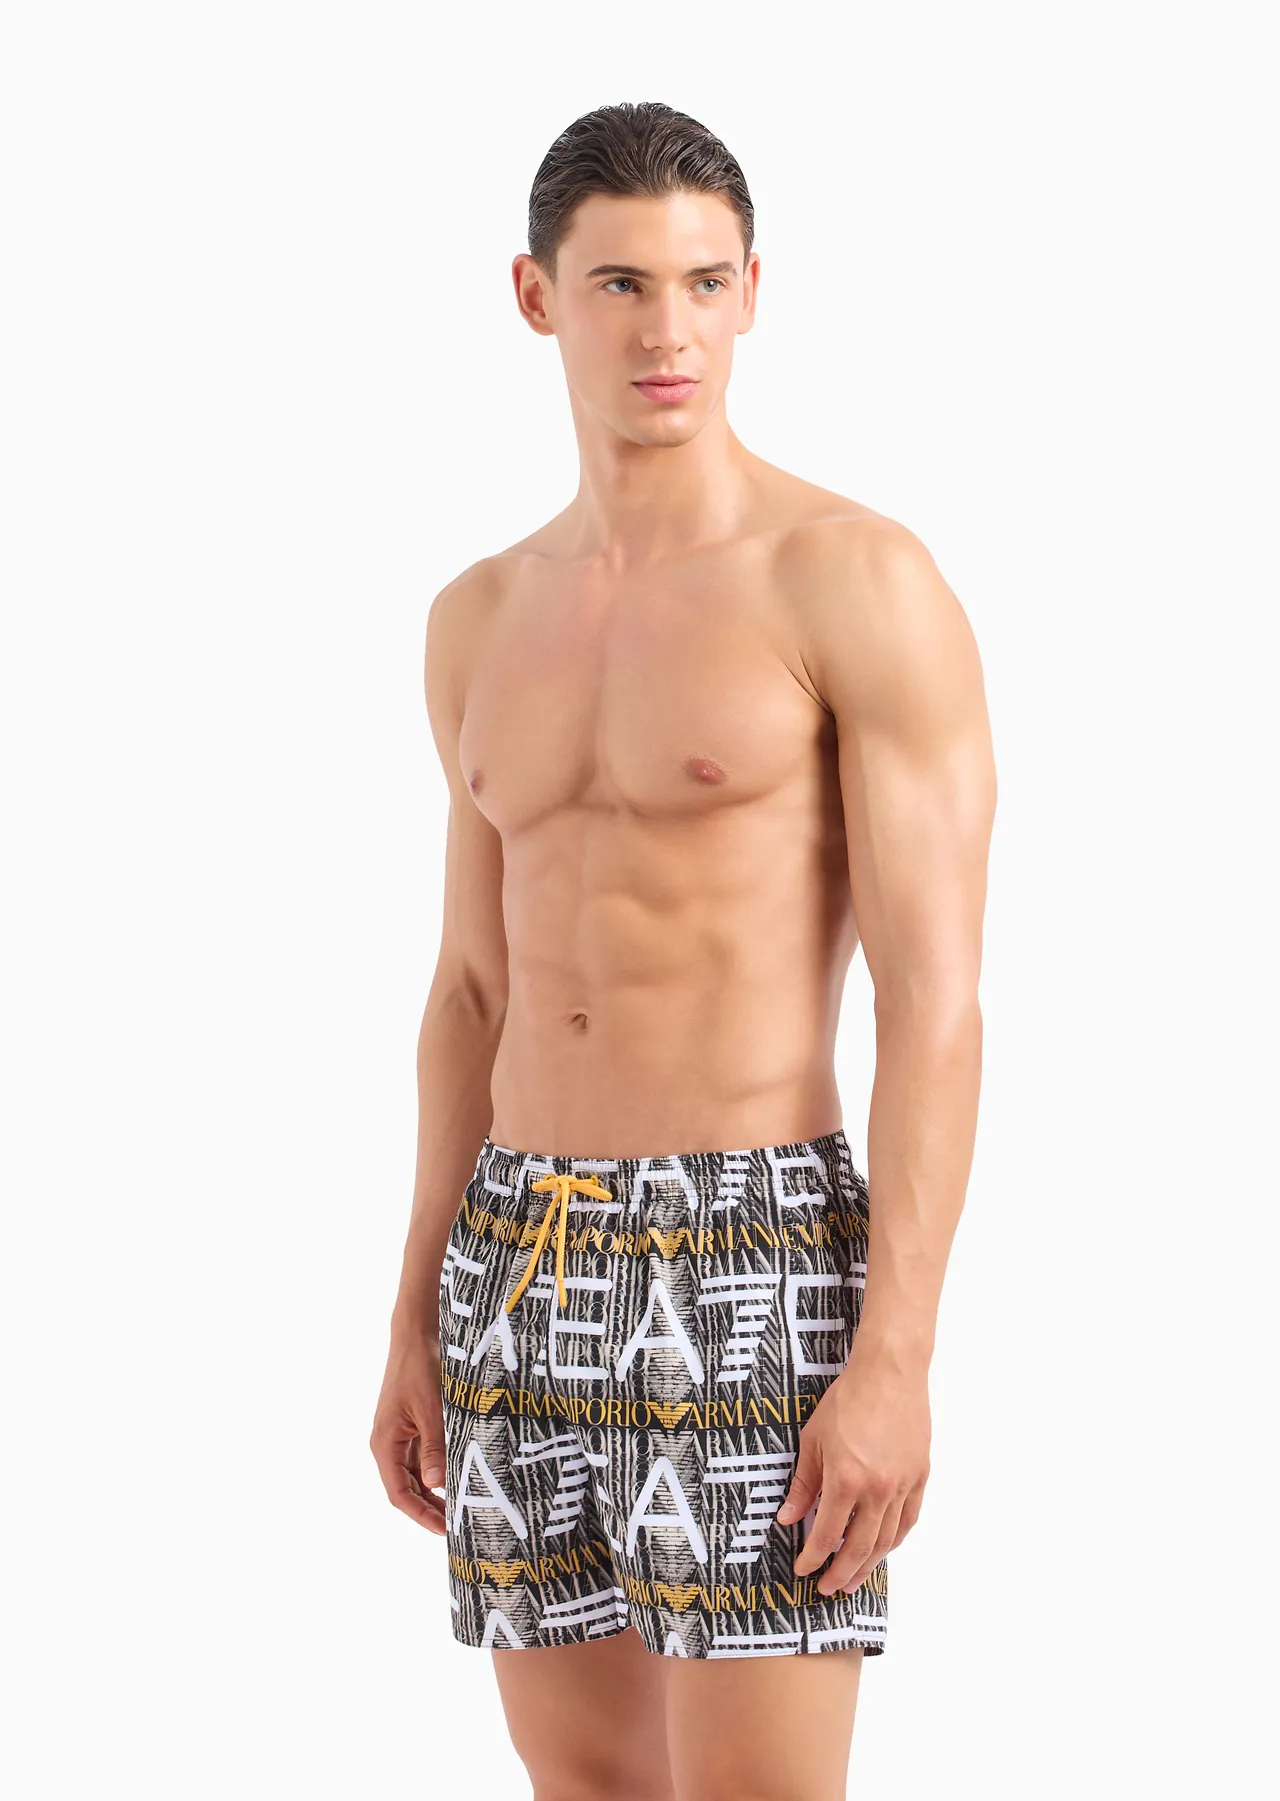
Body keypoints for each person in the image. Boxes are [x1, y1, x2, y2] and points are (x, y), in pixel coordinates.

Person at [371, 99, 996, 1801]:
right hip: (521, 1246)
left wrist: (895, 1357)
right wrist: (418, 1304)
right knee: (582, 1784)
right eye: (624, 285)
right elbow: (472, 990)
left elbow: (937, 1004)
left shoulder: (849, 580)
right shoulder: (478, 617)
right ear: (535, 296)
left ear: (753, 293)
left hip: (749, 1248)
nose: (670, 332)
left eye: (707, 284)